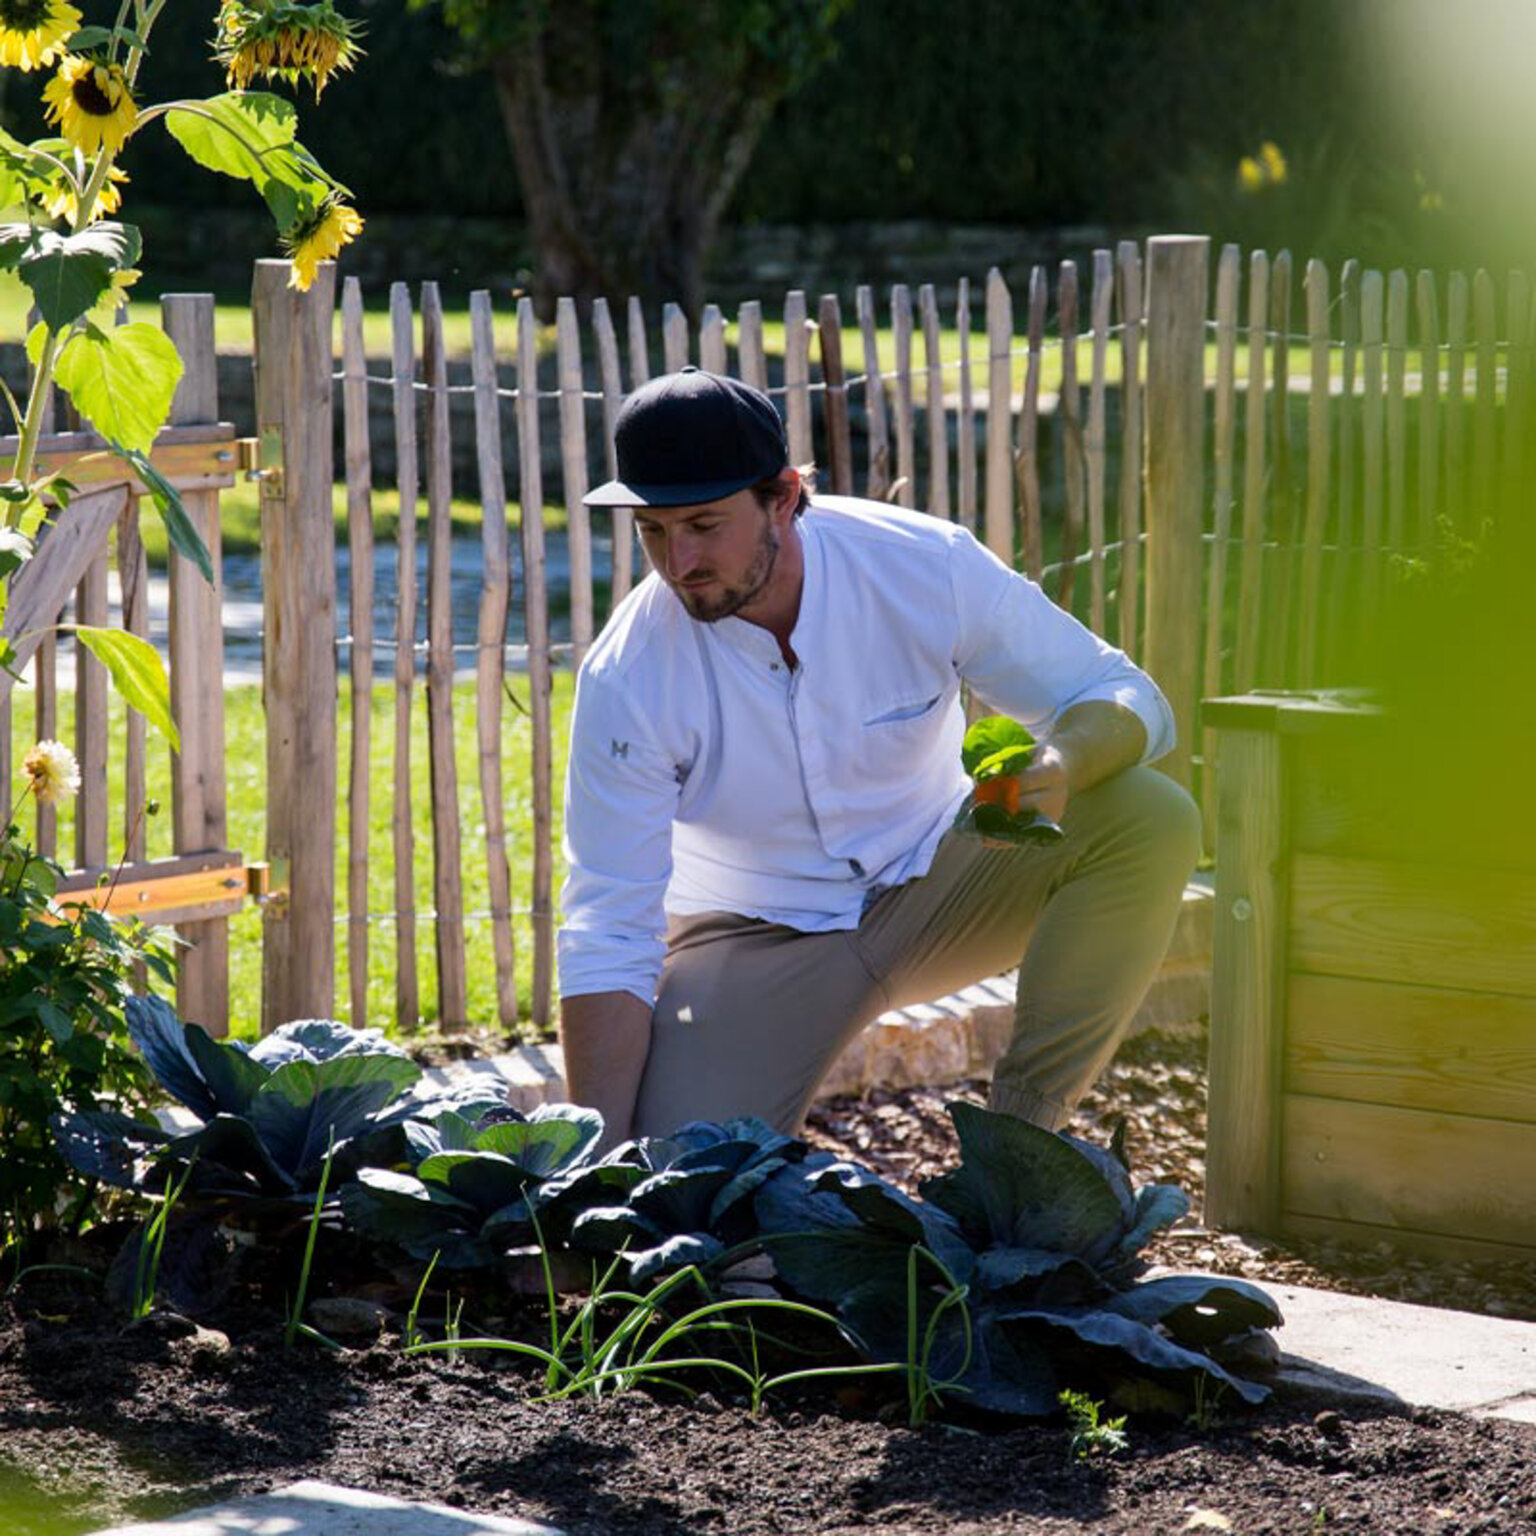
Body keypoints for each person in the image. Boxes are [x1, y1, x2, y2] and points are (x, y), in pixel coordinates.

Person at [557, 366, 1201, 1144]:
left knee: (1147, 815)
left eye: (704, 525)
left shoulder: (923, 564)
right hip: (752, 939)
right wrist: (592, 1173)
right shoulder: (627, 673)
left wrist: (1060, 766)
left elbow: (1124, 694)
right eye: (652, 531)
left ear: (785, 497)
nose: (678, 562)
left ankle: (1024, 1149)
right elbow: (609, 928)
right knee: (680, 1185)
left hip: (943, 883)